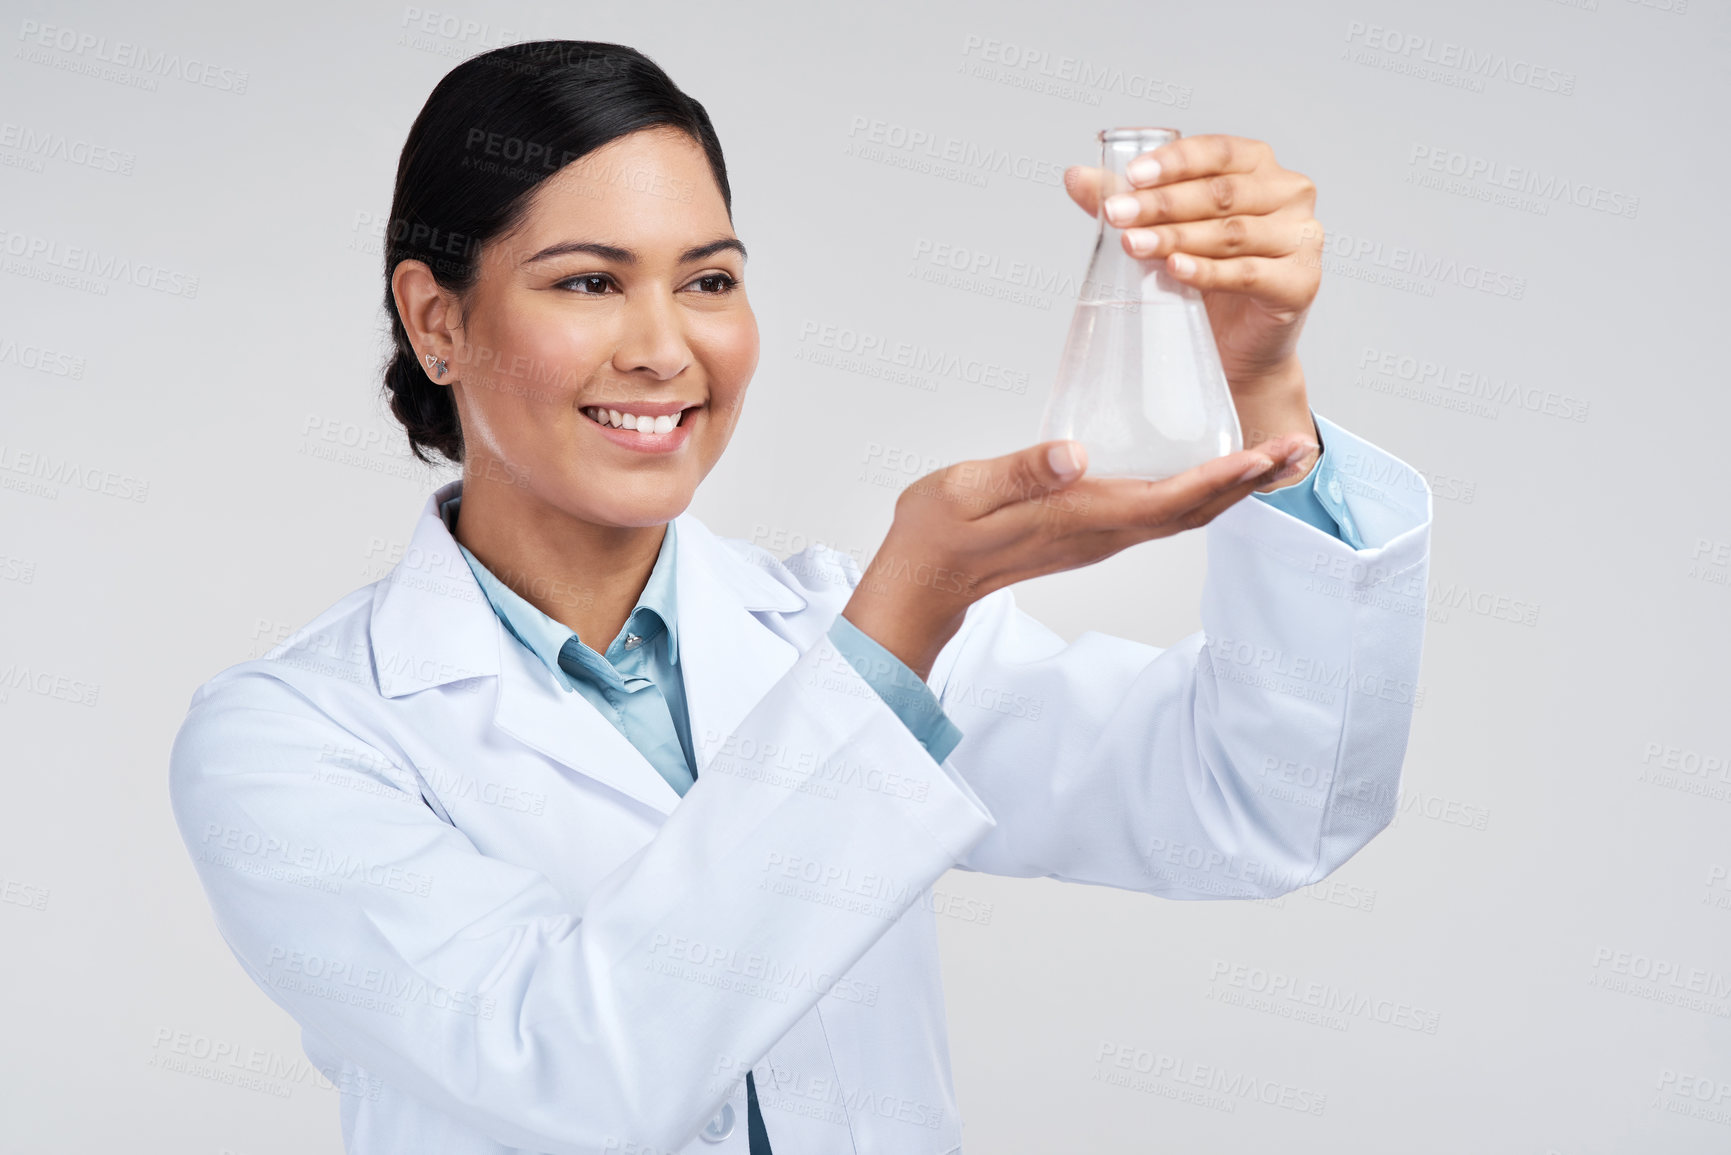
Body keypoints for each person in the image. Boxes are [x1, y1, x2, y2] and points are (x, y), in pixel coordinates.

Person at [168, 39, 1431, 1155]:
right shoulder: (293, 740)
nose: (665, 345)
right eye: (588, 282)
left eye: (708, 279)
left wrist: (1261, 384)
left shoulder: (825, 629)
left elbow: (1266, 806)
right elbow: (576, 1081)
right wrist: (902, 623)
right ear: (435, 320)